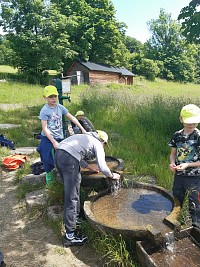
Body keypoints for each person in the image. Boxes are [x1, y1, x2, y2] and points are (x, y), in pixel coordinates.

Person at [54, 130, 120, 247]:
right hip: (69, 160)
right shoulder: (97, 143)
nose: (104, 147)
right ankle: (70, 236)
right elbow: (103, 166)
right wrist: (111, 175)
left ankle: (76, 217)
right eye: (105, 145)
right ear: (103, 141)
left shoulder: (84, 137)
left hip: (59, 154)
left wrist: (89, 167)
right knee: (71, 197)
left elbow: (75, 154)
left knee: (73, 190)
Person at [37, 85, 86, 185]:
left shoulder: (60, 107)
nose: (53, 99)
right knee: (48, 159)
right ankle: (50, 182)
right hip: (48, 138)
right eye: (50, 97)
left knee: (63, 157)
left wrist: (83, 129)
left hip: (59, 137)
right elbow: (45, 128)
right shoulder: (44, 111)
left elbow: (72, 117)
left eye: (55, 96)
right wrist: (54, 142)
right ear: (45, 97)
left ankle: (63, 178)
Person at [168, 104, 200, 228]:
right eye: (188, 122)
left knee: (195, 203)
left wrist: (187, 164)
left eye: (194, 122)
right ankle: (175, 223)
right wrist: (172, 163)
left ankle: (196, 228)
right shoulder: (177, 135)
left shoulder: (198, 136)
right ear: (181, 119)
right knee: (176, 199)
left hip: (194, 177)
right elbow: (173, 154)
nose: (191, 125)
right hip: (179, 175)